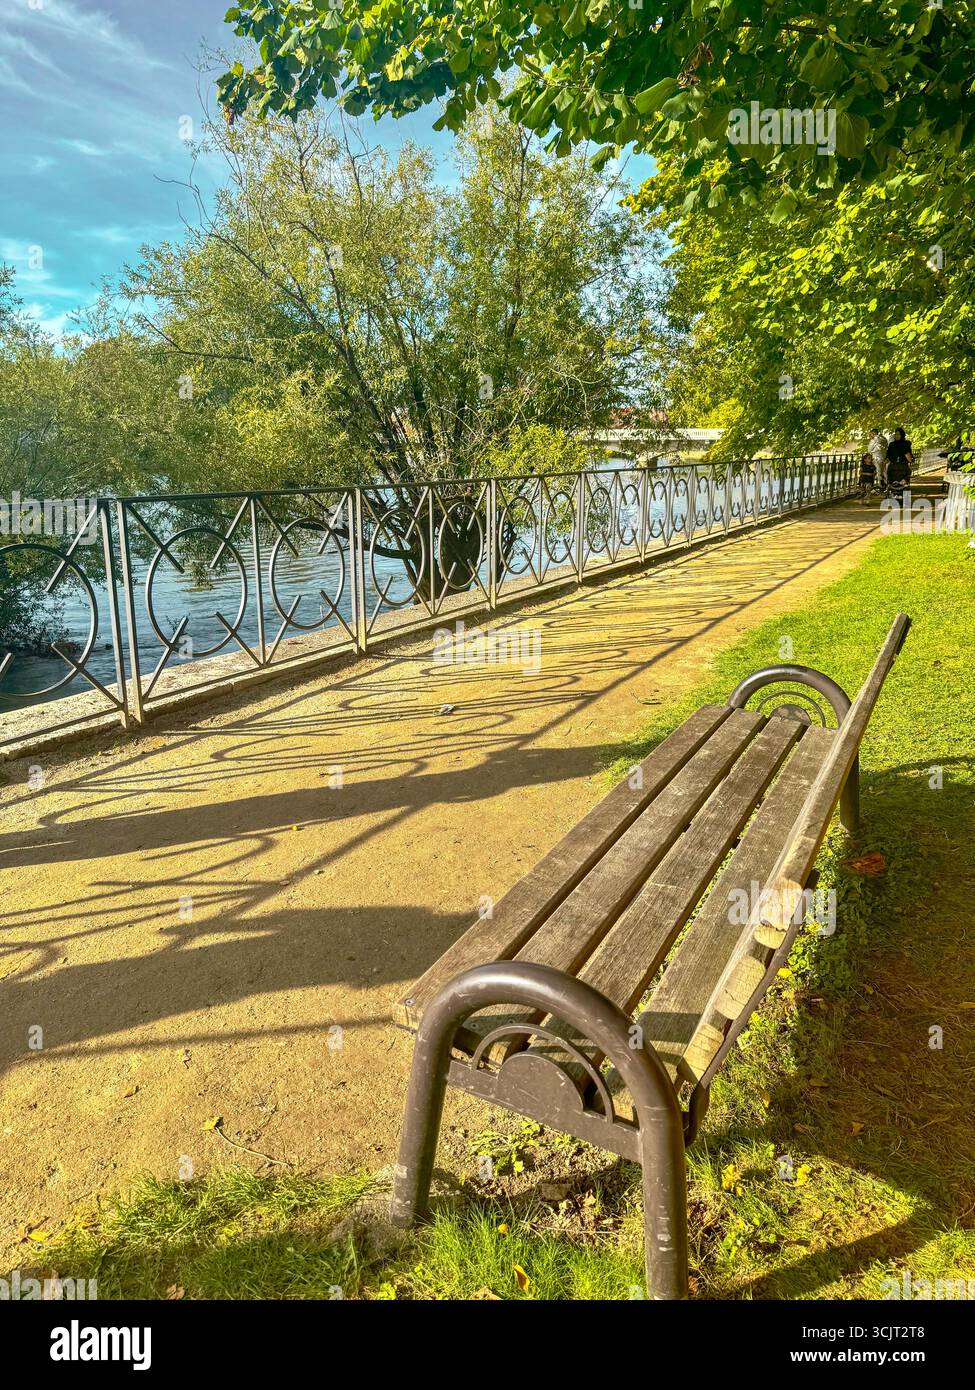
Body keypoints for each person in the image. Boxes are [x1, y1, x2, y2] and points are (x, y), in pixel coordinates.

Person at [885, 427, 914, 507]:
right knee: (892, 484)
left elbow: (909, 458)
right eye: (896, 434)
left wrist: (906, 453)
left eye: (898, 434)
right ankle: (892, 501)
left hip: (903, 467)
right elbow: (888, 457)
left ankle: (905, 503)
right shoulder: (891, 445)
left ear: (902, 435)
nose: (896, 436)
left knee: (904, 484)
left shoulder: (906, 444)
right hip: (893, 468)